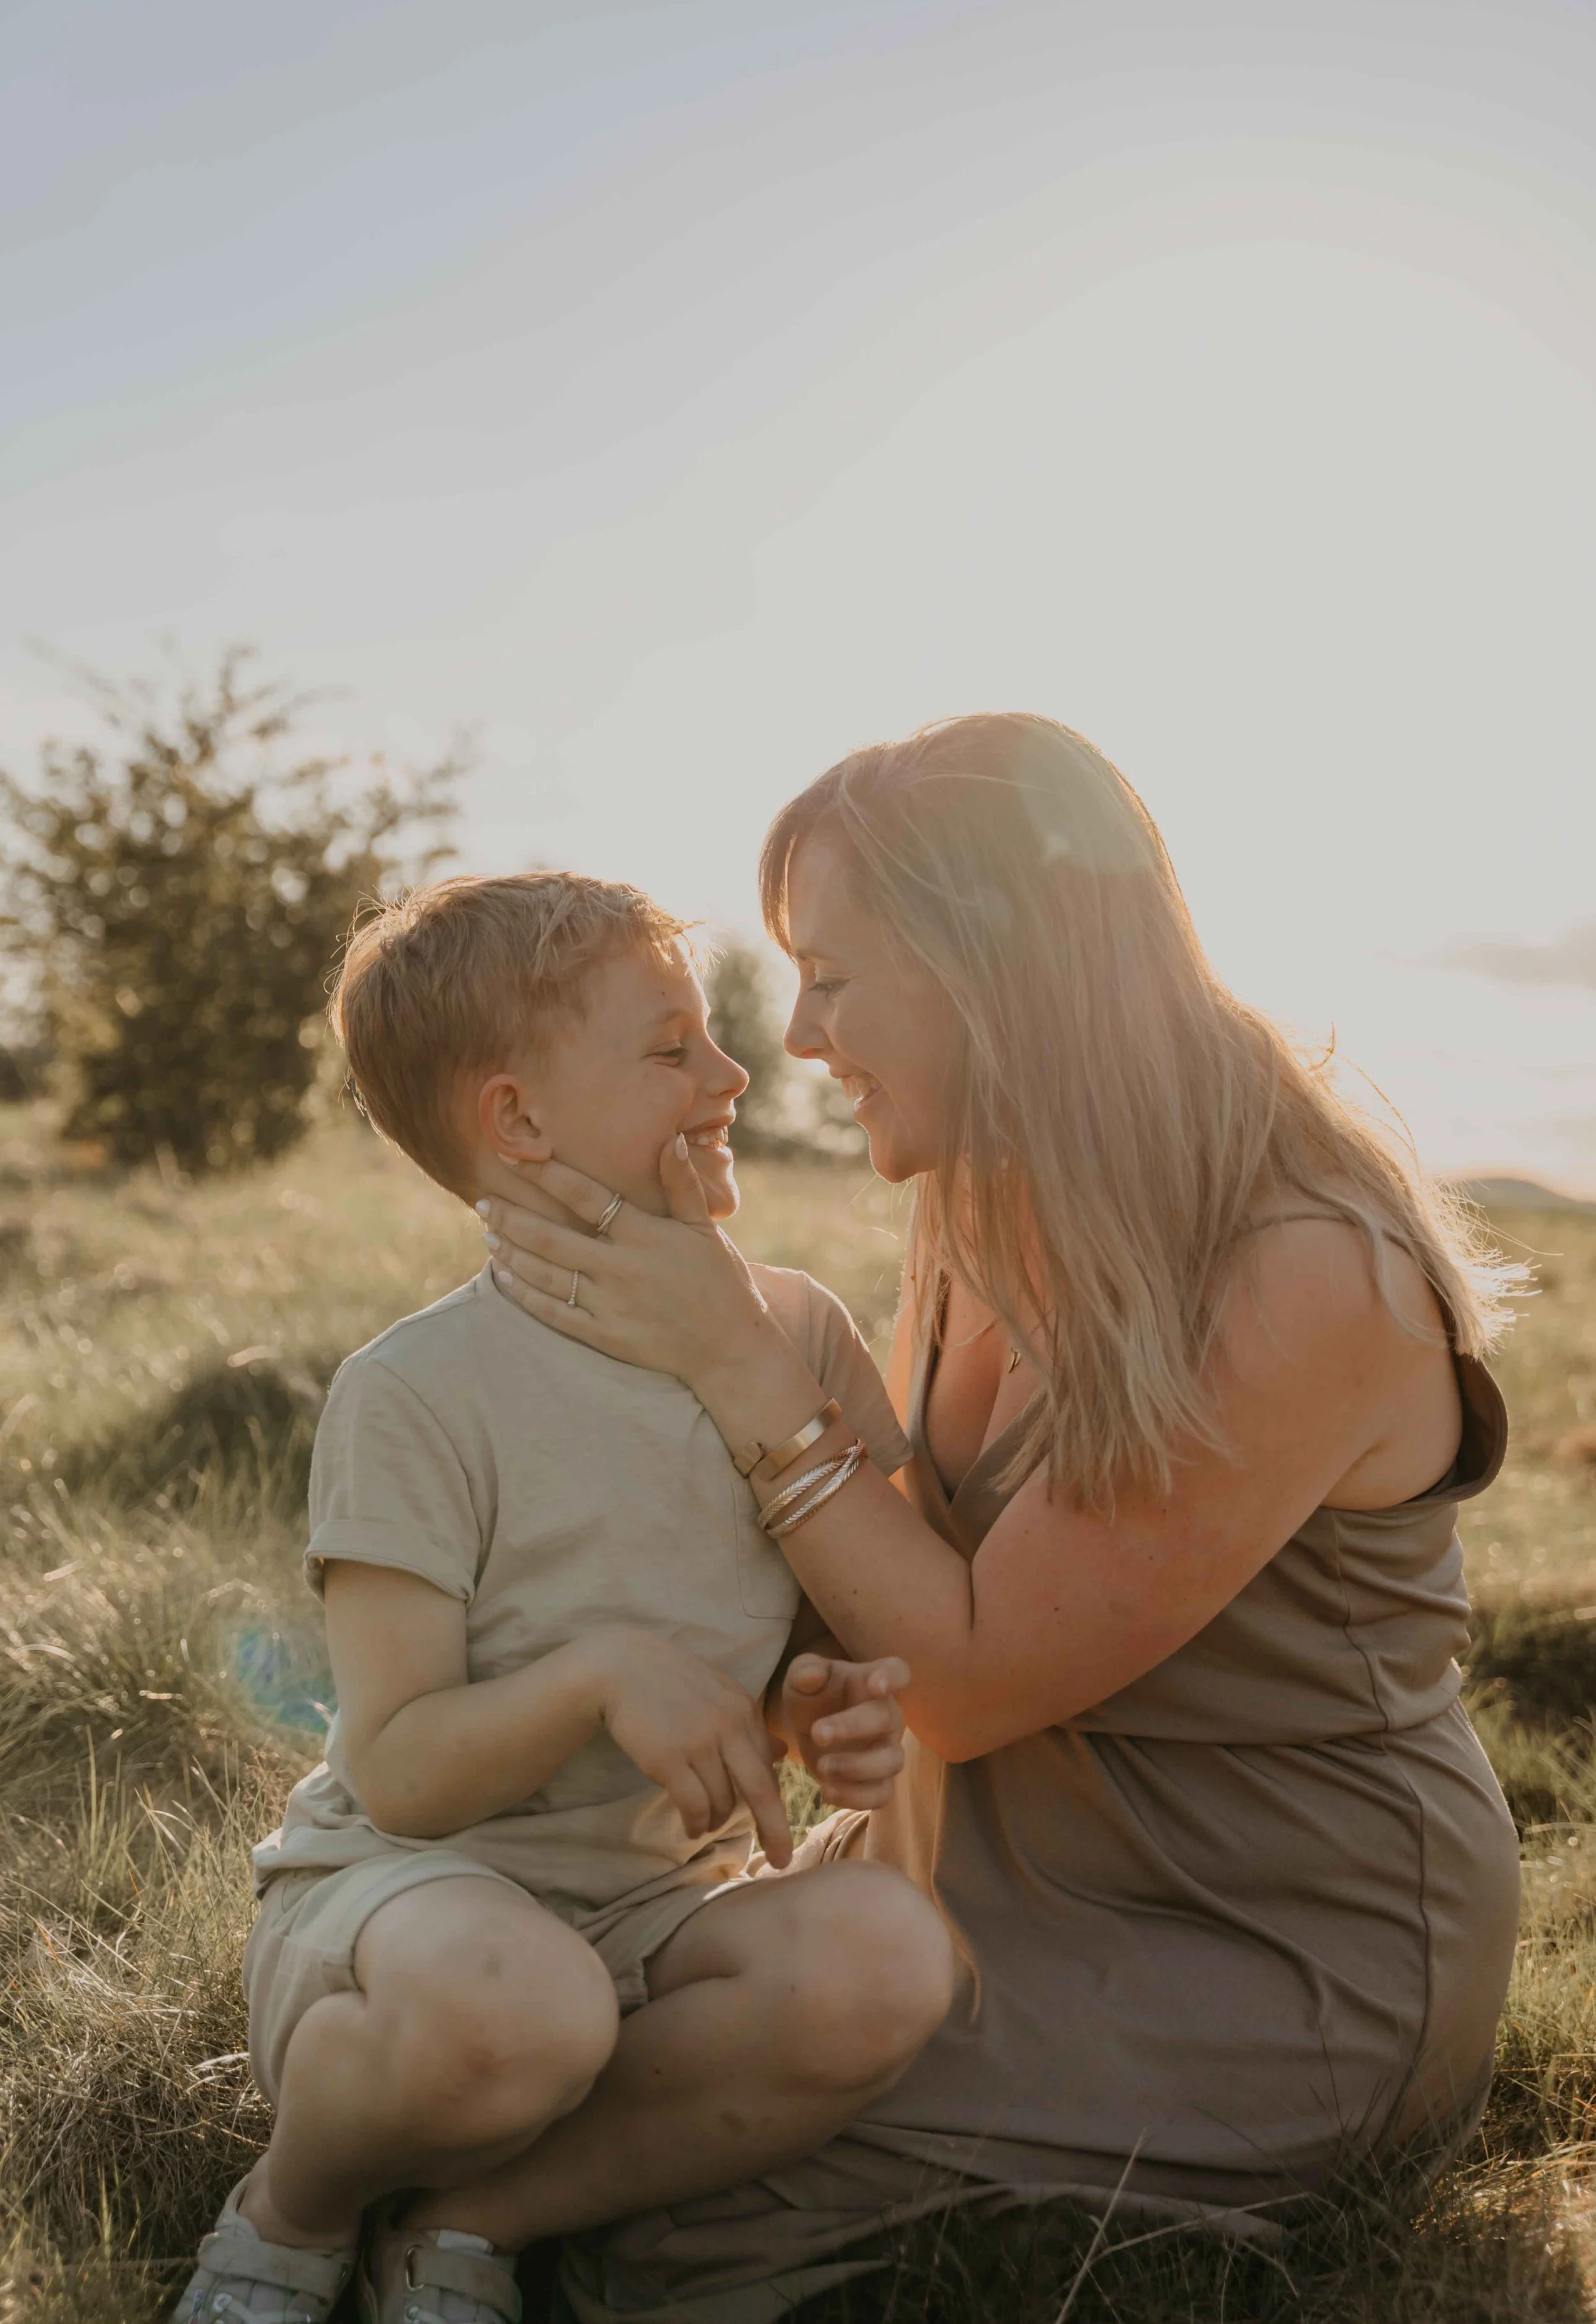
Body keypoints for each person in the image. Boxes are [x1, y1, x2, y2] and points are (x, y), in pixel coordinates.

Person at [481, 713, 1524, 2323]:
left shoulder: (1301, 1267)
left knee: (644, 2213)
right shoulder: (986, 1183)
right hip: (967, 1868)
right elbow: (901, 1581)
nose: (802, 1039)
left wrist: (732, 1356)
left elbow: (968, 1679)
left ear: (992, 969)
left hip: (1259, 1943)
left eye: (834, 977)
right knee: (525, 2040)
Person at [174, 873, 954, 2324]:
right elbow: (398, 1769)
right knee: (522, 2011)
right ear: (518, 1121)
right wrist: (600, 1673)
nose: (733, 1074)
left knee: (885, 1958)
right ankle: (296, 2210)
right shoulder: (414, 1391)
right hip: (406, 1919)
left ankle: (473, 2225)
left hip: (657, 1906)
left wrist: (819, 1709)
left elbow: (811, 1638)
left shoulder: (794, 1334)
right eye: (671, 1050)